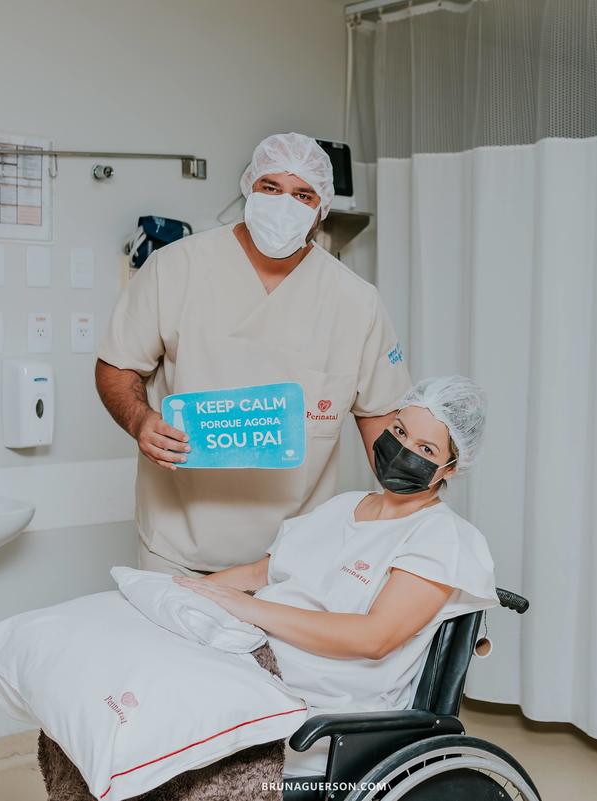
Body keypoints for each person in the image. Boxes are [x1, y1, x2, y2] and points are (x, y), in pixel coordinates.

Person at [96, 132, 412, 576]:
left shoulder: (356, 301)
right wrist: (139, 419)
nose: (285, 204)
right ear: (248, 189)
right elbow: (117, 366)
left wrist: (414, 513)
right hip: (177, 546)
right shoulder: (175, 268)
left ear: (322, 209)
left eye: (303, 194)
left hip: (295, 556)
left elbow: (381, 417)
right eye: (271, 188)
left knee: (279, 649)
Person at [174, 376, 497, 776]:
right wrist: (183, 592)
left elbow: (374, 638)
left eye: (425, 448)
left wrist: (250, 610)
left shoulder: (441, 537)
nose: (402, 451)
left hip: (323, 706)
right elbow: (261, 571)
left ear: (451, 467)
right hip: (255, 662)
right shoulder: (343, 506)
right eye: (399, 431)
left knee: (173, 715)